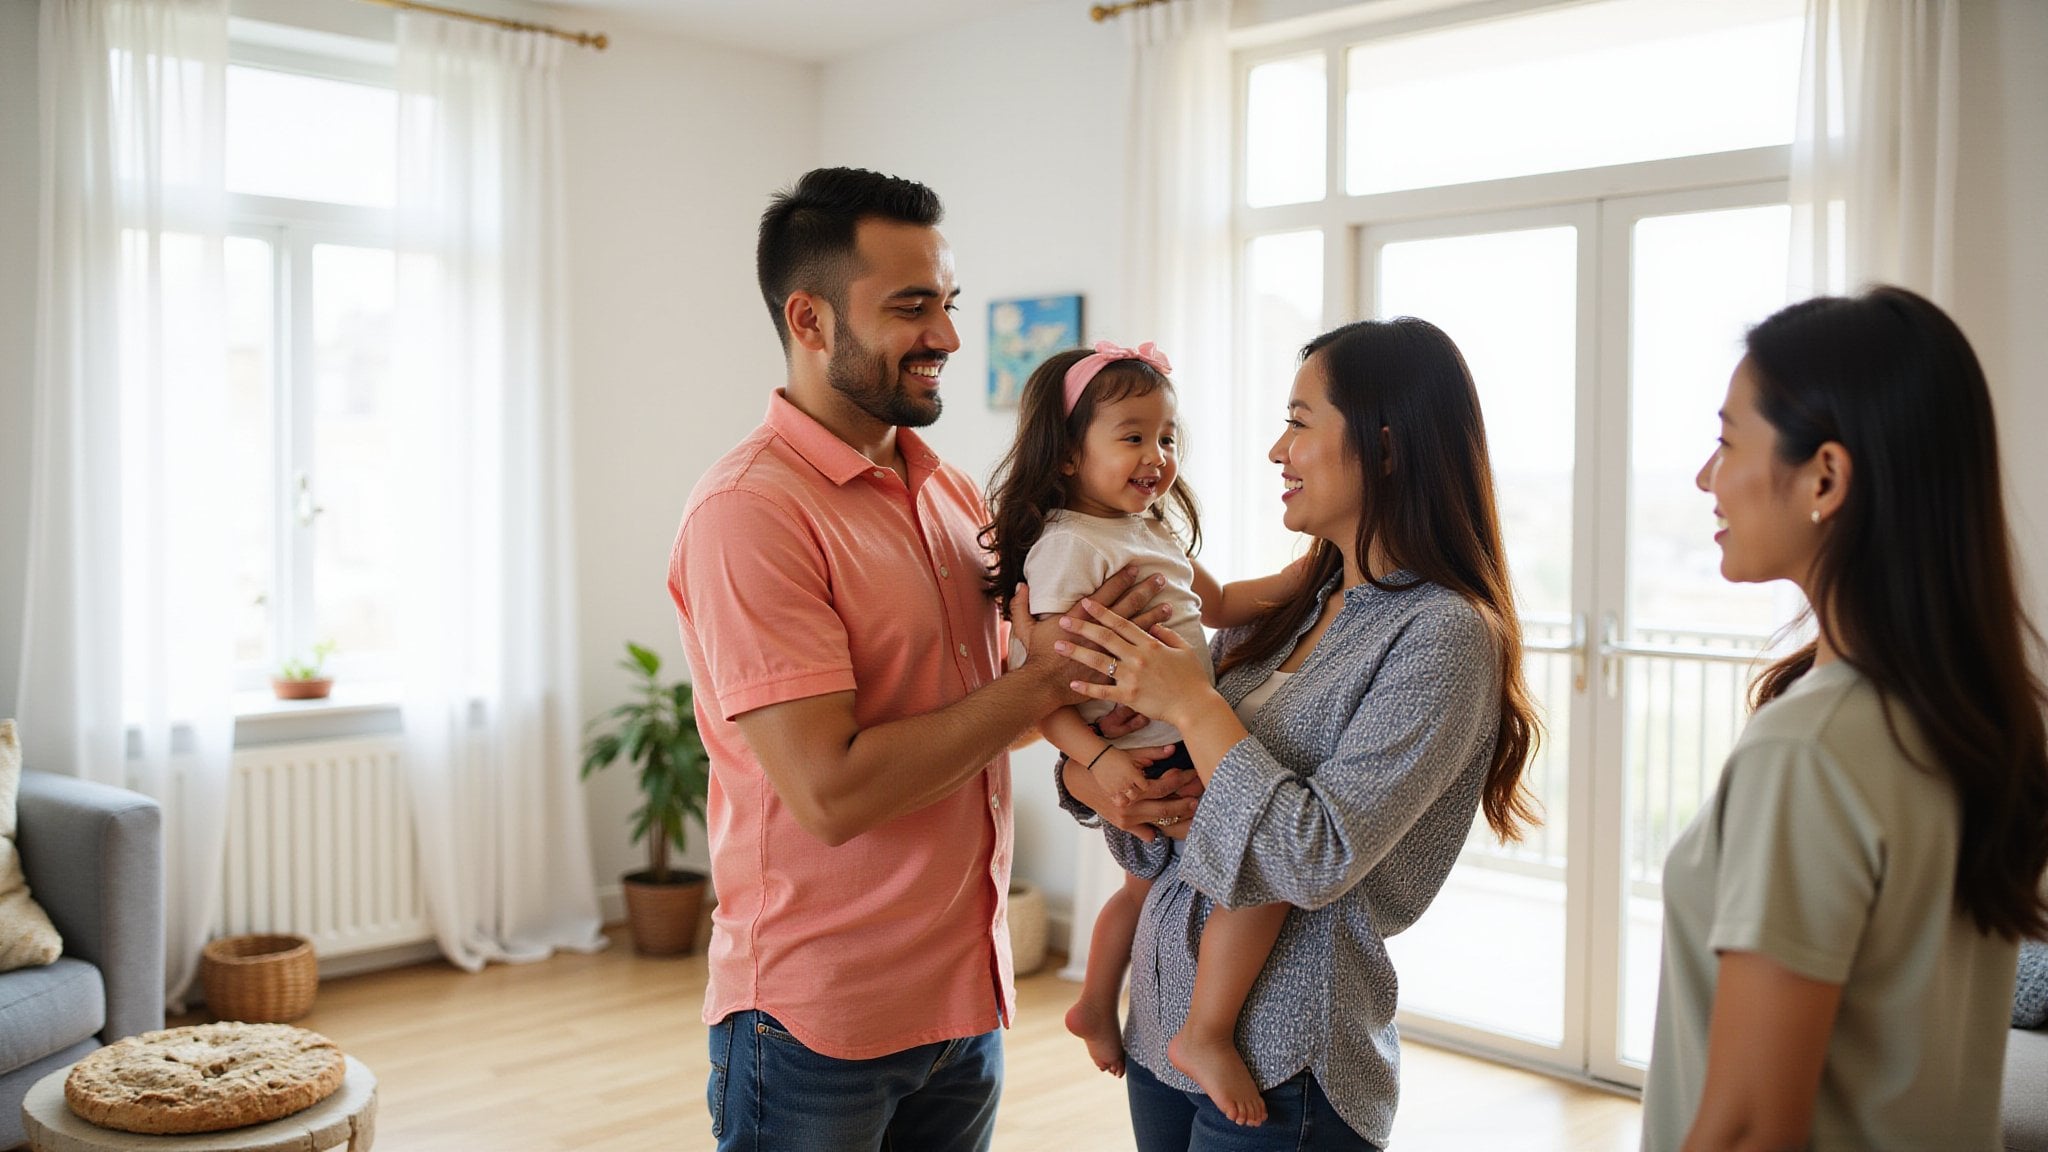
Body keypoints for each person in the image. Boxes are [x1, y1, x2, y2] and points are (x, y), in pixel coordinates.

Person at [667, 166, 1165, 1152]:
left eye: (947, 303)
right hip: (816, 1026)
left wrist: (1097, 750)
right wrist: (1047, 677)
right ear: (809, 321)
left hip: (963, 1007)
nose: (944, 335)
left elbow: (981, 712)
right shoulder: (749, 514)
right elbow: (831, 792)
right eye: (910, 306)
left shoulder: (947, 496)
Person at [1051, 316, 1543, 1151]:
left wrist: (1196, 711)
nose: (1278, 452)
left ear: (1385, 448)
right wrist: (1093, 780)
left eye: (1299, 423)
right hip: (1160, 1032)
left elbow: (1312, 858)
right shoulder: (1283, 613)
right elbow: (1165, 808)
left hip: (1288, 1064)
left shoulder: (1444, 634)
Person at [1641, 286, 2048, 1151]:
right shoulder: (1975, 721)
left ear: (1824, 475)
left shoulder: (1811, 747)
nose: (1707, 477)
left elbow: (1751, 1128)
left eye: (1726, 441)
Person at [980, 339, 1302, 1124]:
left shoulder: (1148, 531)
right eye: (1132, 436)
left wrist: (1312, 571)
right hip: (1145, 756)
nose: (1156, 456)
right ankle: (1206, 1032)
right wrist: (1094, 758)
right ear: (1066, 456)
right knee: (1261, 877)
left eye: (1165, 437)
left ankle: (1095, 1003)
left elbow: (1221, 602)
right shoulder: (1068, 547)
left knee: (1140, 887)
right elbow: (1039, 687)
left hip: (1170, 741)